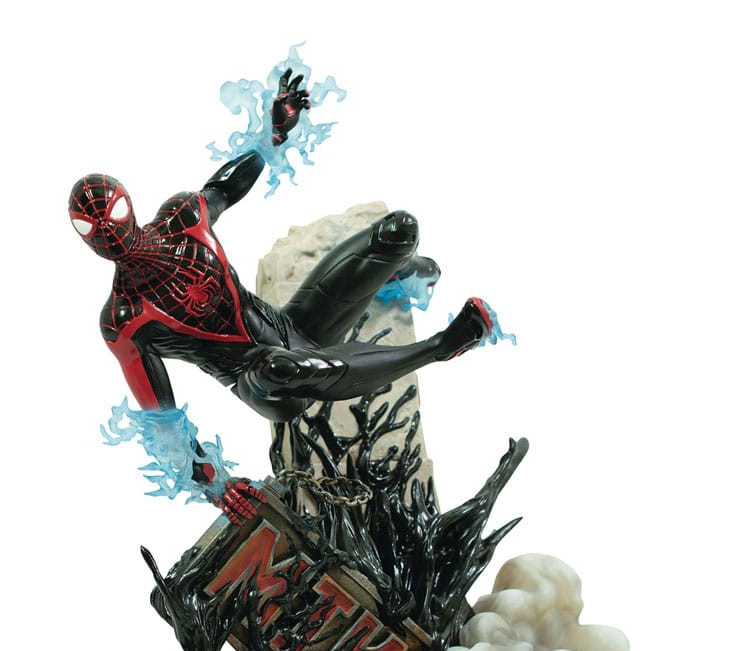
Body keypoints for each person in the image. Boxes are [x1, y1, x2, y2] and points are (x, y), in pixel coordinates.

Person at [69, 70, 493, 520]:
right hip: (264, 384)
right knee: (277, 367)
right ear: (85, 240)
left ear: (128, 204)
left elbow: (228, 183)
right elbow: (163, 421)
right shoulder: (124, 320)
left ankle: (399, 274)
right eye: (91, 227)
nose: (108, 230)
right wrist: (216, 484)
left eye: (111, 212)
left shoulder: (183, 218)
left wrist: (275, 130)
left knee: (399, 230)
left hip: (293, 325)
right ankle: (441, 348)